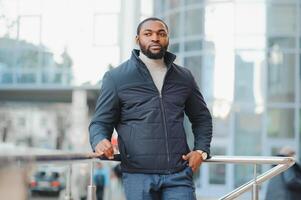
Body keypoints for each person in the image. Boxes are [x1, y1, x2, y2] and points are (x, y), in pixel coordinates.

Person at [89, 17, 213, 200]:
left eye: (161, 34)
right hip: (137, 175)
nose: (155, 38)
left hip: (179, 174)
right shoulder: (116, 78)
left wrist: (201, 150)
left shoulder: (184, 77)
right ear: (137, 39)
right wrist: (99, 140)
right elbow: (100, 122)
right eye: (148, 33)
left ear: (167, 39)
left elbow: (202, 118)